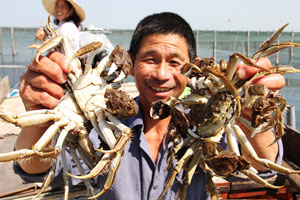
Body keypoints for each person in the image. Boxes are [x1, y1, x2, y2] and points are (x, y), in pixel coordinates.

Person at [15, 12, 285, 199]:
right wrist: (40, 116)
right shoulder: (100, 126)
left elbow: (263, 166)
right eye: (151, 59)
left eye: (175, 63)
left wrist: (252, 114)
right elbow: (34, 168)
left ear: (192, 69)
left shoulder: (205, 128)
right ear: (130, 65)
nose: (162, 74)